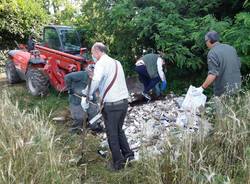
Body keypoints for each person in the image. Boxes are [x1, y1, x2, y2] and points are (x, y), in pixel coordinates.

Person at [82, 42, 134, 171]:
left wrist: (86, 96)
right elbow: (105, 80)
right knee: (119, 130)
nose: (92, 55)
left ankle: (119, 164)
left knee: (112, 134)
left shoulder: (101, 63)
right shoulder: (116, 62)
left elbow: (95, 81)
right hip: (123, 103)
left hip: (112, 105)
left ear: (98, 51)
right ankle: (129, 156)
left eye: (93, 53)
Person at [195, 31, 241, 96]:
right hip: (237, 87)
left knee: (221, 106)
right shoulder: (231, 48)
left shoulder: (212, 53)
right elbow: (238, 65)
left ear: (209, 40)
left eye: (206, 41)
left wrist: (202, 88)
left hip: (223, 91)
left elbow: (213, 74)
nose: (206, 43)